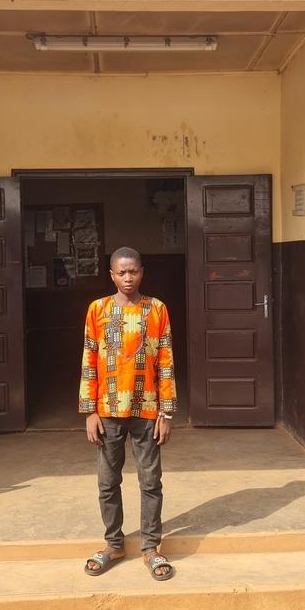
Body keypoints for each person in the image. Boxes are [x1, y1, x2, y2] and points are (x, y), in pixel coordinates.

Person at [79, 246, 177, 581]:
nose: (128, 278)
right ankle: (114, 544)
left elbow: (165, 361)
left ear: (142, 272)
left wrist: (166, 412)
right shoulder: (98, 309)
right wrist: (89, 411)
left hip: (147, 409)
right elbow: (89, 359)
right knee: (108, 482)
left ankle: (150, 547)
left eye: (133, 271)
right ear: (112, 275)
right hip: (107, 410)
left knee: (150, 481)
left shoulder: (157, 309)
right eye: (121, 272)